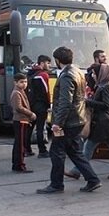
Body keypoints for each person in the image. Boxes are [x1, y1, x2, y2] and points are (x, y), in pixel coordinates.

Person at [37, 46, 102, 194]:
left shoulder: (66, 75)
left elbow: (66, 101)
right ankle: (93, 179)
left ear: (57, 60)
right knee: (74, 152)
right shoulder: (78, 71)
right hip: (77, 118)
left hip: (68, 121)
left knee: (57, 152)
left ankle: (56, 184)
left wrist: (57, 123)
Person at [26, 55, 52, 158]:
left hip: (31, 104)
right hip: (41, 105)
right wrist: (48, 104)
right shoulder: (43, 75)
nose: (50, 65)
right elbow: (46, 91)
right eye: (48, 63)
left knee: (30, 127)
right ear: (42, 63)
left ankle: (27, 149)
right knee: (40, 128)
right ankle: (42, 150)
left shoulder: (31, 73)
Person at [10, 73, 36, 173]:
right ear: (15, 82)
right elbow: (18, 107)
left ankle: (17, 164)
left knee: (19, 143)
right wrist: (31, 114)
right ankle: (19, 165)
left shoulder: (21, 91)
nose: (24, 84)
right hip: (20, 120)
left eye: (25, 82)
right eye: (21, 82)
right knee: (20, 144)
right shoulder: (16, 93)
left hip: (23, 120)